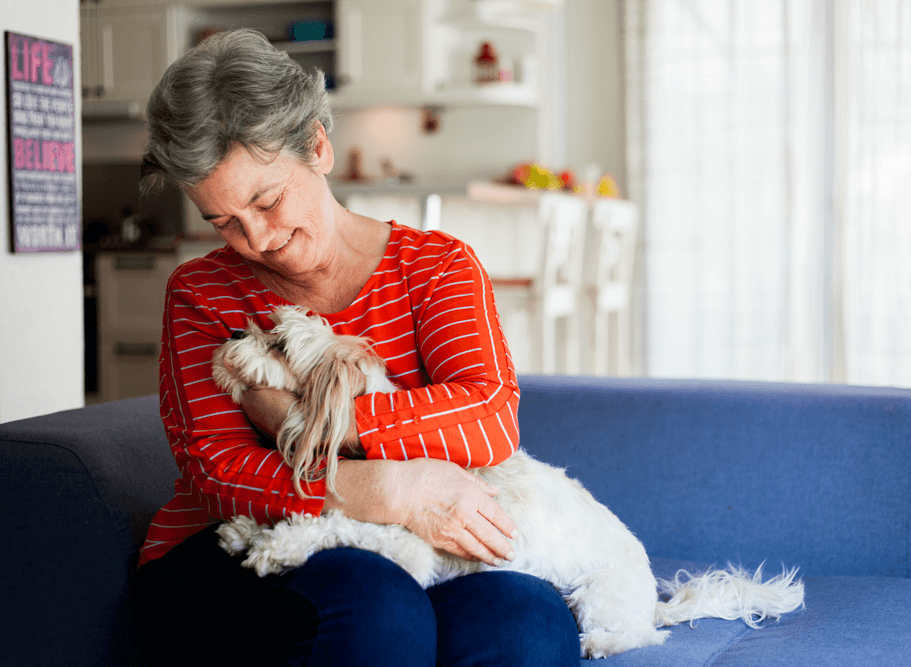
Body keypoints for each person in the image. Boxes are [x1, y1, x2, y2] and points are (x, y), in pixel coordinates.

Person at [134, 29, 579, 666]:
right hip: (234, 553)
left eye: (267, 199)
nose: (256, 239)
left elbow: (487, 420)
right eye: (223, 221)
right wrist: (394, 488)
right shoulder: (200, 292)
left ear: (318, 145)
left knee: (526, 626)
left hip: (414, 548)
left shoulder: (436, 268)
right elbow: (220, 471)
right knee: (378, 609)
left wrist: (301, 419)